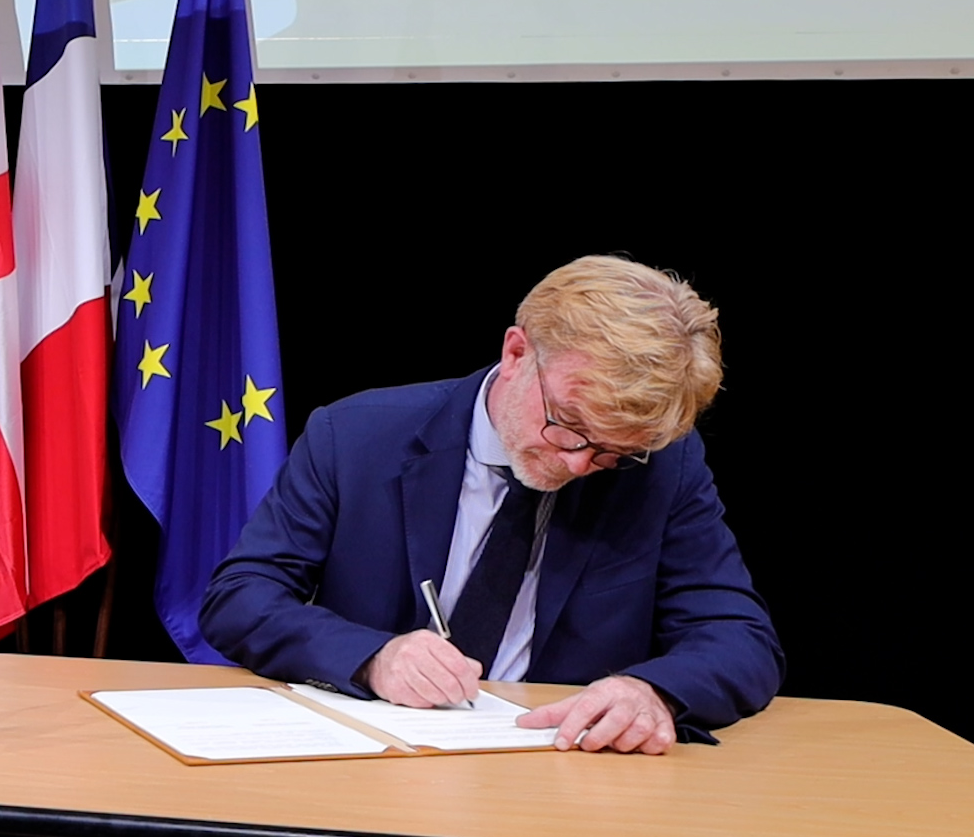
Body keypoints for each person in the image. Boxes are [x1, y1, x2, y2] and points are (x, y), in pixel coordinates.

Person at [200, 256, 782, 754]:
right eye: (567, 424)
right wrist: (372, 657)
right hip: (372, 754)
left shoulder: (662, 467)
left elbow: (739, 636)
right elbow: (241, 597)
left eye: (613, 452)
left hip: (563, 766)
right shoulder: (355, 438)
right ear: (516, 352)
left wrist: (653, 692)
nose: (579, 463)